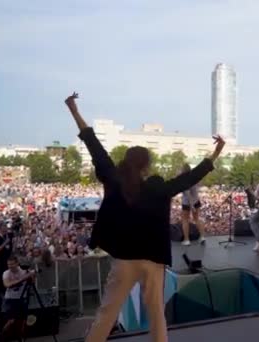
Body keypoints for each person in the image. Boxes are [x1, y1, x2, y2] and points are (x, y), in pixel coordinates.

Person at [65, 92, 225, 342]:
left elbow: (92, 143)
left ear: (126, 162)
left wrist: (74, 111)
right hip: (153, 261)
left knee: (107, 314)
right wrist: (216, 153)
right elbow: (190, 177)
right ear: (146, 165)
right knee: (156, 314)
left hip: (123, 261)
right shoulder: (158, 188)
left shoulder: (114, 180)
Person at [1, 256, 35, 341]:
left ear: (17, 263)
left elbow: (32, 283)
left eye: (12, 264)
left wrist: (31, 276)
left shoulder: (23, 271)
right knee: (11, 321)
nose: (10, 266)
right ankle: (2, 336)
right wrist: (24, 278)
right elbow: (7, 284)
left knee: (22, 320)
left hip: (22, 298)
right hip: (10, 299)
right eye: (8, 264)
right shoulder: (6, 273)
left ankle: (20, 338)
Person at [179, 164, 206, 246]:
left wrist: (192, 206)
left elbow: (188, 194)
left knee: (185, 220)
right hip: (197, 200)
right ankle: (202, 237)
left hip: (187, 203)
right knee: (197, 219)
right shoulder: (194, 177)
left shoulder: (184, 180)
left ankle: (186, 240)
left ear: (183, 170)